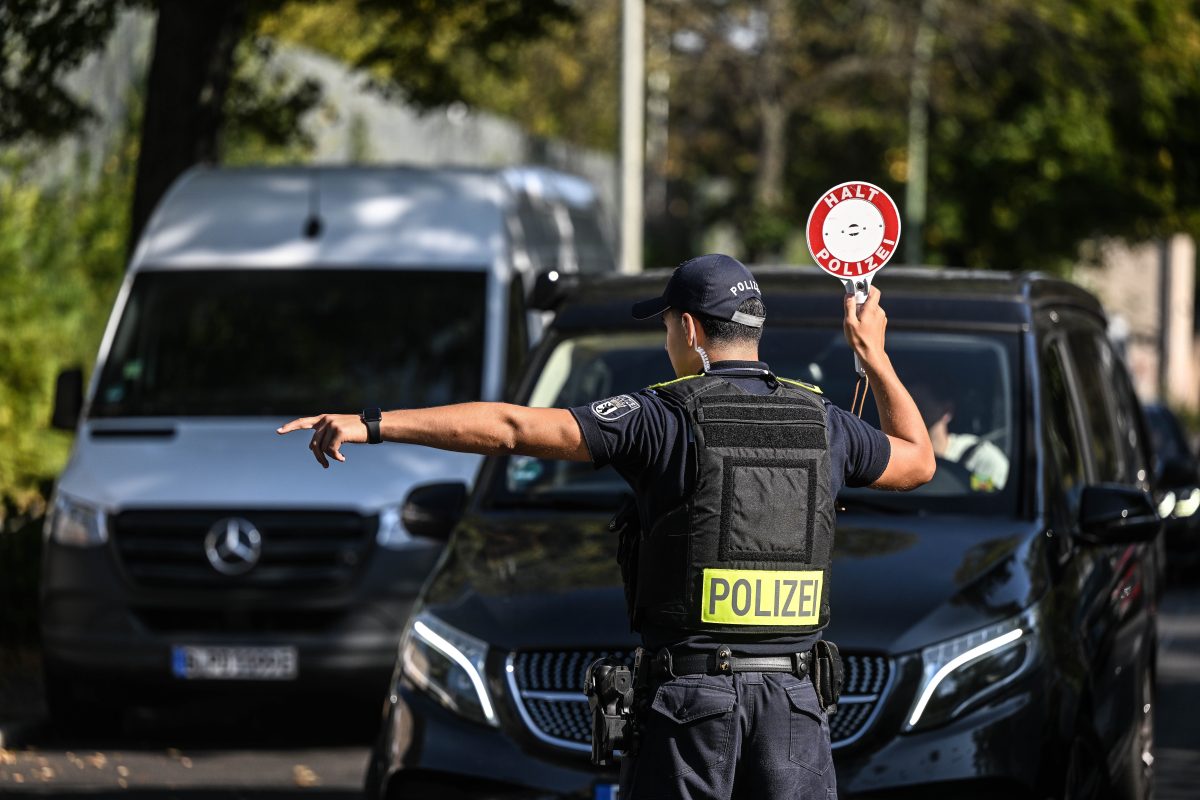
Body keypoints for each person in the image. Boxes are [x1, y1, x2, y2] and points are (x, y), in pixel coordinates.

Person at [277, 254, 934, 799]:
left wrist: (373, 423)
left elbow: (512, 428)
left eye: (669, 329)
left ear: (689, 329)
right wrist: (872, 355)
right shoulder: (822, 421)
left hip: (692, 704)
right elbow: (918, 462)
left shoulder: (661, 415)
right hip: (795, 706)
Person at [909, 382, 1009, 492]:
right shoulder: (901, 460)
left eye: (919, 404)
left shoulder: (981, 458)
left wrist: (970, 480)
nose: (910, 411)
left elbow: (997, 491)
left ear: (947, 410)